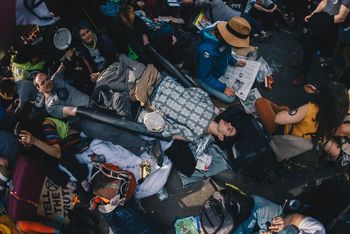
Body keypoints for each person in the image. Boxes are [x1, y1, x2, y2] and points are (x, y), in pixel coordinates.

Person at [33, 64, 163, 158]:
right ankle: (147, 146)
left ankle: (130, 127)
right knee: (110, 131)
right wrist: (95, 114)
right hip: (83, 118)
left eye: (47, 79)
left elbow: (62, 67)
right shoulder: (50, 106)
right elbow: (71, 111)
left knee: (118, 98)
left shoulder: (56, 79)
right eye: (43, 83)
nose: (47, 83)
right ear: (39, 89)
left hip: (94, 102)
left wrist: (67, 58)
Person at [254, 82, 349, 142]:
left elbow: (279, 119)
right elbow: (331, 104)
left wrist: (289, 113)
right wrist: (317, 92)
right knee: (284, 108)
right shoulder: (335, 121)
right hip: (299, 144)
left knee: (261, 103)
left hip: (283, 136)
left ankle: (269, 132)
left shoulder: (310, 109)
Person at [16, 115, 88, 191]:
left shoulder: (46, 126)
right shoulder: (36, 136)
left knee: (63, 155)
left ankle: (82, 179)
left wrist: (34, 141)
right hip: (56, 146)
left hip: (70, 140)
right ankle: (70, 185)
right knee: (42, 162)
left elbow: (58, 153)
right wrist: (29, 144)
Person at [291, 0, 350, 86]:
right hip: (321, 19)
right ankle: (302, 66)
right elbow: (324, 3)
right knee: (306, 44)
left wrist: (323, 22)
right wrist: (313, 15)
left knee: (310, 48)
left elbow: (341, 17)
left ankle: (303, 76)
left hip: (330, 24)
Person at [196, 17, 249, 103]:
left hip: (217, 68)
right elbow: (203, 75)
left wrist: (235, 61)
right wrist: (223, 88)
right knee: (230, 98)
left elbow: (227, 52)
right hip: (204, 76)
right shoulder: (207, 50)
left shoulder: (224, 39)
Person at [234, 195, 326, 234]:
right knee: (255, 202)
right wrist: (284, 222)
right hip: (282, 228)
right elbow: (296, 218)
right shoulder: (318, 230)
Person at [75, 21, 118, 85]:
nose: (87, 35)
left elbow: (113, 58)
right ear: (80, 38)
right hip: (99, 75)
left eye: (88, 31)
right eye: (83, 35)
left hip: (112, 67)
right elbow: (86, 69)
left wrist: (100, 73)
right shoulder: (82, 50)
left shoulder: (102, 38)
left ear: (91, 30)